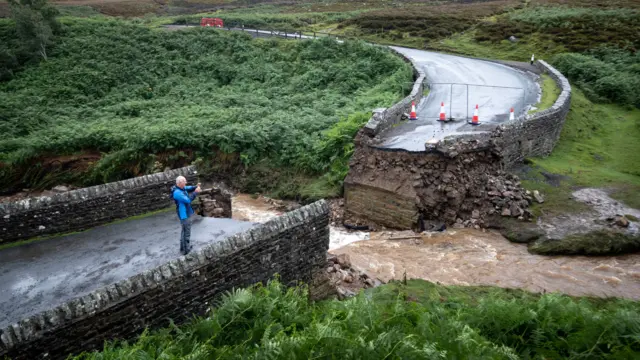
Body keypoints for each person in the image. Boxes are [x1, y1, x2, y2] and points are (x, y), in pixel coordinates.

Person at [171, 176, 201, 255]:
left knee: (184, 230)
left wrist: (195, 186)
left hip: (185, 212)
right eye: (184, 181)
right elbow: (188, 200)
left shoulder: (181, 188)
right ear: (180, 183)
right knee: (186, 231)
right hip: (183, 213)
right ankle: (186, 250)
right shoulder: (177, 193)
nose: (186, 182)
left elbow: (189, 187)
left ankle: (183, 247)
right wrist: (196, 192)